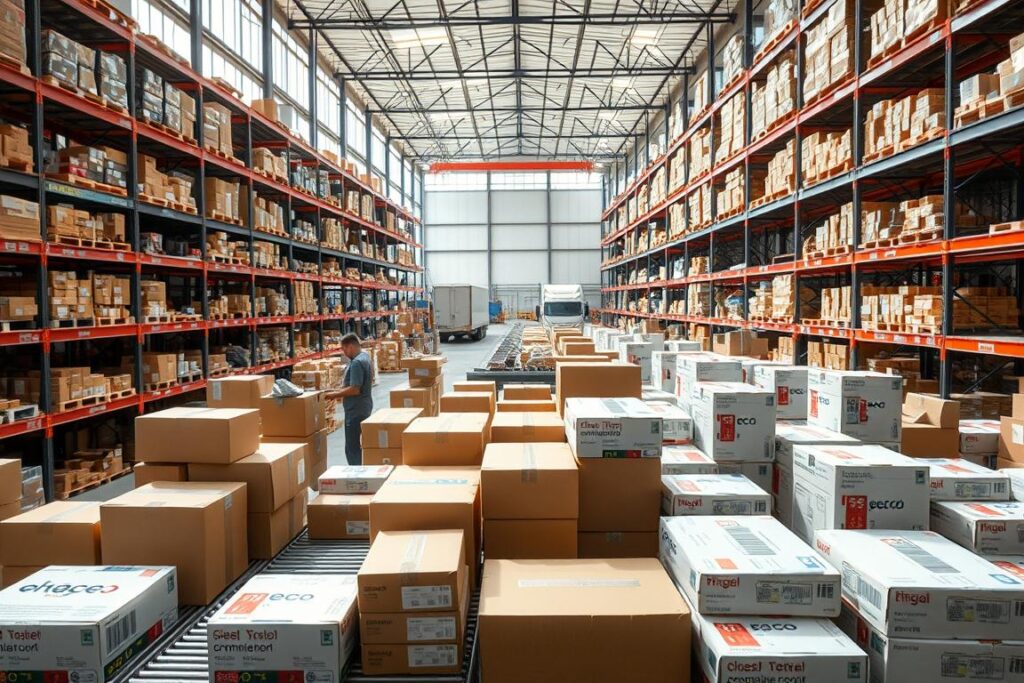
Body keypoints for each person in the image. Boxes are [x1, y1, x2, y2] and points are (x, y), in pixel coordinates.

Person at [325, 333, 374, 465]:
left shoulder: (357, 363)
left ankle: (355, 472)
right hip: (364, 405)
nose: (344, 353)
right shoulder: (365, 356)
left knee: (352, 447)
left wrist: (333, 395)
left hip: (355, 410)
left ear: (351, 346)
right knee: (357, 444)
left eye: (344, 349)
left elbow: (355, 389)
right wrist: (336, 390)